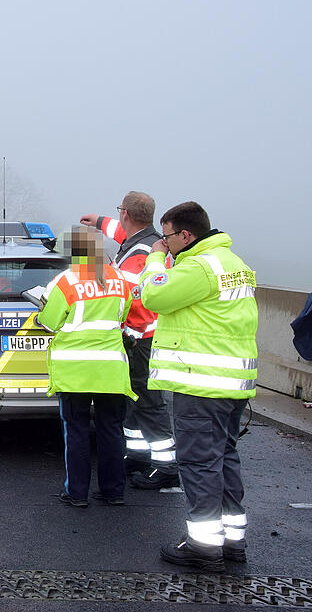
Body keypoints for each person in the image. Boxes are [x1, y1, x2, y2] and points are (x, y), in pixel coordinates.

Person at [138, 202, 257, 571]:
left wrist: (155, 261)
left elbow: (153, 296)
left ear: (185, 235)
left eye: (167, 236)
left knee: (199, 464)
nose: (164, 243)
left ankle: (203, 548)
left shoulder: (199, 266)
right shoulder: (233, 263)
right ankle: (232, 540)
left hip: (201, 383)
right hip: (231, 382)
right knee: (224, 458)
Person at [81, 192, 177, 489]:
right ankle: (138, 455)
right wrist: (98, 222)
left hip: (142, 339)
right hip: (145, 336)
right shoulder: (146, 240)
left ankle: (166, 465)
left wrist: (129, 336)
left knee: (148, 401)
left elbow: (139, 304)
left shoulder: (139, 255)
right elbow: (121, 230)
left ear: (125, 213)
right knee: (133, 399)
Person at [38, 226, 135, 508]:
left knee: (77, 431)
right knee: (111, 431)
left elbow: (49, 322)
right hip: (112, 370)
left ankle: (77, 492)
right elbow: (124, 316)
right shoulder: (118, 279)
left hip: (75, 371)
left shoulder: (66, 281)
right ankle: (113, 491)